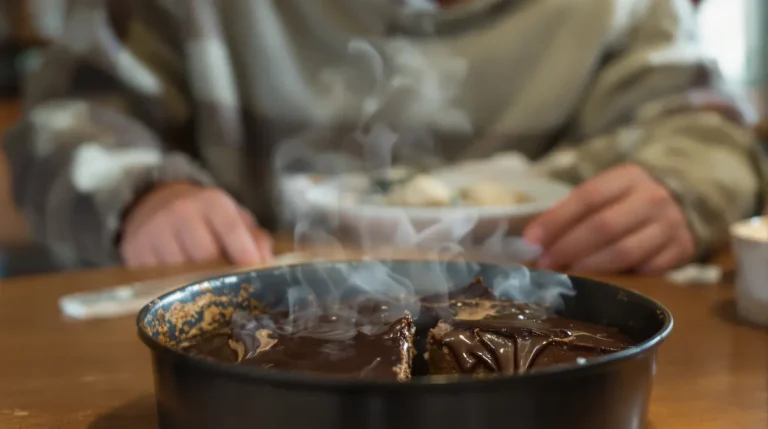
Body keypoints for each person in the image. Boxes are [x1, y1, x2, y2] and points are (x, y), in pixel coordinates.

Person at [3, 0, 766, 273]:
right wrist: (146, 196)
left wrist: (679, 191)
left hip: (553, 352)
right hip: (269, 351)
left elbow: (706, 126)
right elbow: (57, 123)